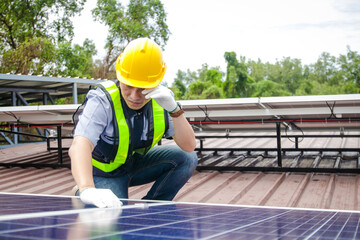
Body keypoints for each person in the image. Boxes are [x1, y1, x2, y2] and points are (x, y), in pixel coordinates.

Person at [69, 38, 198, 208]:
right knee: (113, 216)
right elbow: (80, 145)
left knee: (187, 158)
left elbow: (189, 146)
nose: (135, 96)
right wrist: (87, 189)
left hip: (134, 165)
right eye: (129, 85)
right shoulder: (102, 99)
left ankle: (152, 207)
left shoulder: (161, 100)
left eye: (143, 88)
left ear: (157, 81)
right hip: (105, 174)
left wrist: (175, 110)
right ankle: (81, 190)